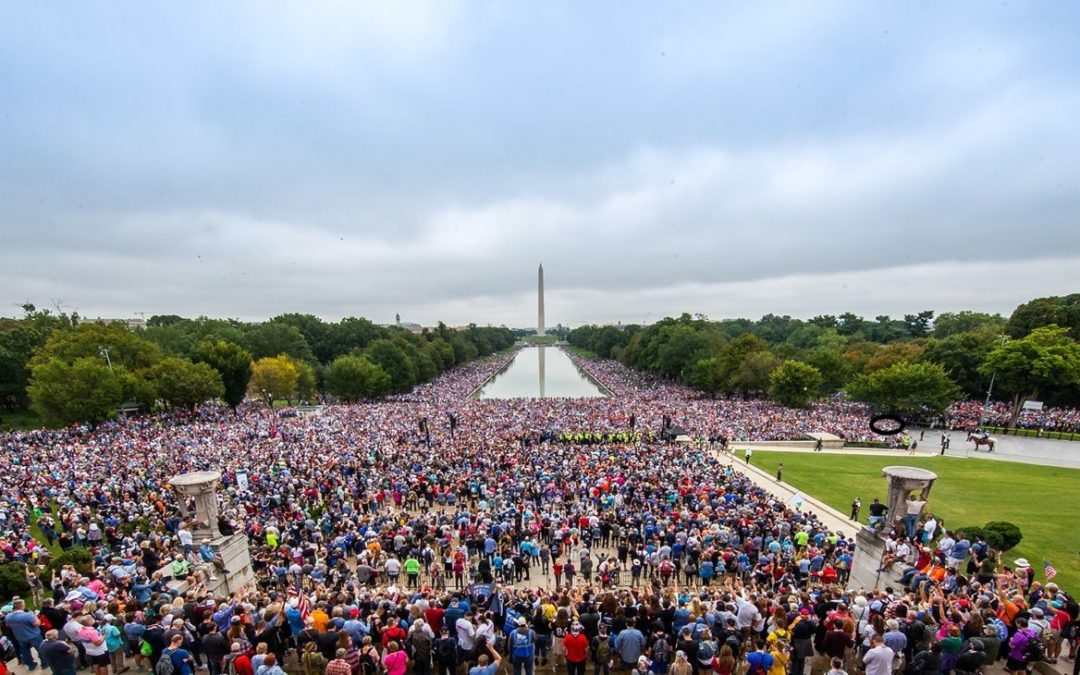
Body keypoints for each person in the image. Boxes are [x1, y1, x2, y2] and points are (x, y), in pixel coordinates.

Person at [3, 599, 43, 670]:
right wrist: (34, 616)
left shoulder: (8, 616)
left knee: (25, 651)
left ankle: (31, 665)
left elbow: (8, 625)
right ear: (21, 606)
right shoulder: (27, 615)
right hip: (33, 636)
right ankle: (44, 663)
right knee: (40, 649)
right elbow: (37, 623)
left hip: (20, 637)